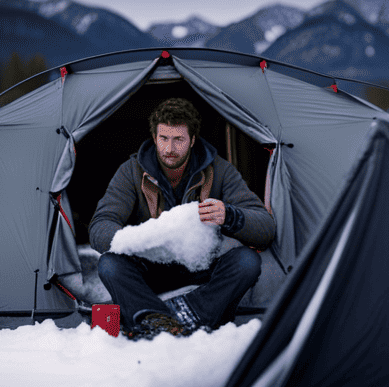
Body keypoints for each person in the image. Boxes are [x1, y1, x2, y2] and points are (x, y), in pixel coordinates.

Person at [89, 98, 275, 339]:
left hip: (200, 264)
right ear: (155, 138)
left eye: (178, 140)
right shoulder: (131, 171)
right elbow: (100, 225)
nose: (169, 148)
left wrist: (229, 215)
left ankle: (190, 312)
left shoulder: (220, 170)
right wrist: (136, 239)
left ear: (192, 140)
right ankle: (156, 318)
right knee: (110, 265)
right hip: (150, 266)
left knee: (247, 262)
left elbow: (265, 228)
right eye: (164, 139)